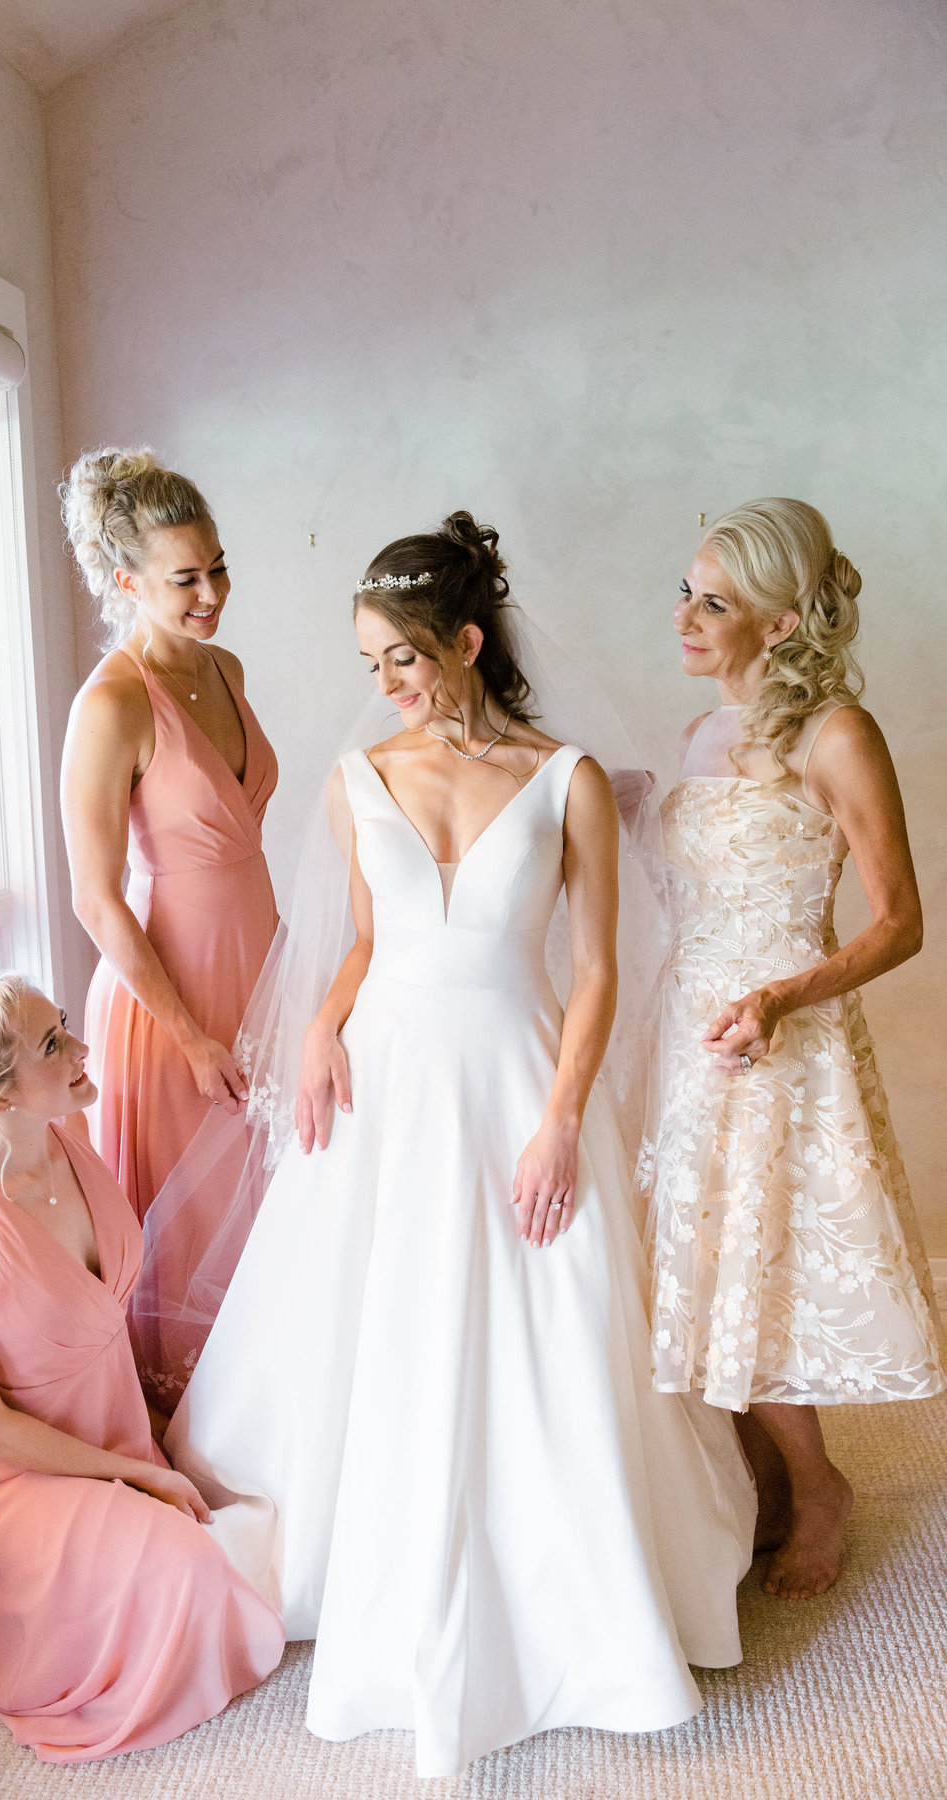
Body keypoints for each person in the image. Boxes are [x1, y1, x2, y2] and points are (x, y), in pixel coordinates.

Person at [155, 513, 755, 1779]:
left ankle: (573, 1588)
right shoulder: (355, 778)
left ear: (468, 642)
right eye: (373, 663)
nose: (386, 687)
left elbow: (593, 972)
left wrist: (558, 1122)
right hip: (382, 1080)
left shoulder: (569, 777)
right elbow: (369, 944)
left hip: (517, 1082)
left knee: (553, 1314)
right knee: (375, 1319)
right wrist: (320, 1028)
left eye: (405, 661)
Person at [639, 497, 943, 1604]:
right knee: (711, 1262)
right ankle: (762, 1476)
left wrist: (781, 997)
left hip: (785, 1036)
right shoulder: (697, 737)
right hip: (695, 1030)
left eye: (714, 603)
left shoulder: (837, 735)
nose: (685, 615)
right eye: (686, 589)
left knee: (765, 1269)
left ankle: (820, 1488)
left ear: (778, 626)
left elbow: (900, 922)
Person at [0, 973, 284, 1763]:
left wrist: (159, 1440)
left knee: (267, 1492)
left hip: (108, 1431)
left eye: (63, 1026)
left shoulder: (72, 1141)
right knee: (191, 1580)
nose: (83, 1048)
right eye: (53, 1045)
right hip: (5, 1478)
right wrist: (142, 1476)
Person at [60, 448, 278, 1224]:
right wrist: (189, 1039)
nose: (212, 594)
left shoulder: (229, 671)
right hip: (168, 1002)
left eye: (217, 567)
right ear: (128, 583)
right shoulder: (110, 706)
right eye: (185, 579)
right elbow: (94, 898)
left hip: (257, 972)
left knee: (267, 1219)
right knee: (192, 1232)